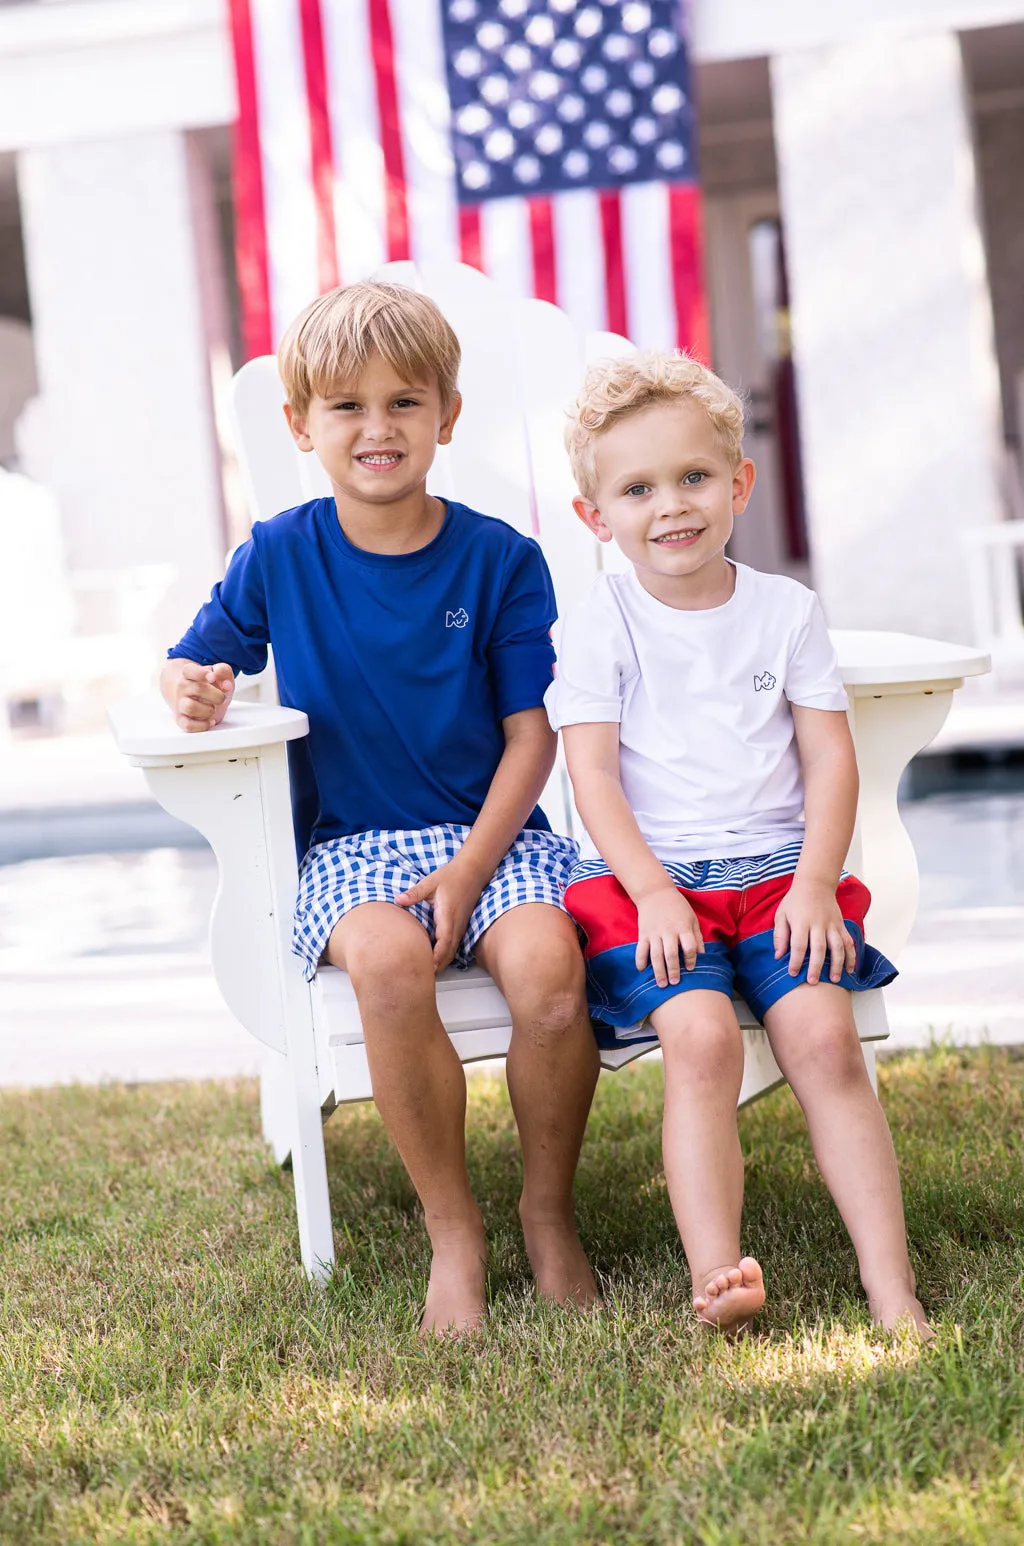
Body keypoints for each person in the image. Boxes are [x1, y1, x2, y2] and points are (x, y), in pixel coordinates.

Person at [160, 281, 600, 1336]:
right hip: (352, 844)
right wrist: (192, 687)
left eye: (405, 403)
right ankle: (455, 1230)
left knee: (546, 974)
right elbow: (196, 660)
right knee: (392, 963)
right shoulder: (280, 552)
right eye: (347, 406)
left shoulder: (499, 558)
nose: (377, 428)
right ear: (300, 424)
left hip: (494, 834)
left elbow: (530, 737)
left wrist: (468, 872)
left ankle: (546, 1212)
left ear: (447, 417)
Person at [545, 350, 930, 1338]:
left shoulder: (785, 613)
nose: (670, 505)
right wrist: (653, 895)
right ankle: (718, 1273)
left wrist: (812, 883)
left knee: (823, 1040)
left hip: (776, 881)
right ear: (597, 517)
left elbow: (828, 763)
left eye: (692, 478)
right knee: (701, 1039)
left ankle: (892, 1288)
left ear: (737, 483)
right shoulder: (604, 625)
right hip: (651, 885)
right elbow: (592, 777)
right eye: (636, 489)